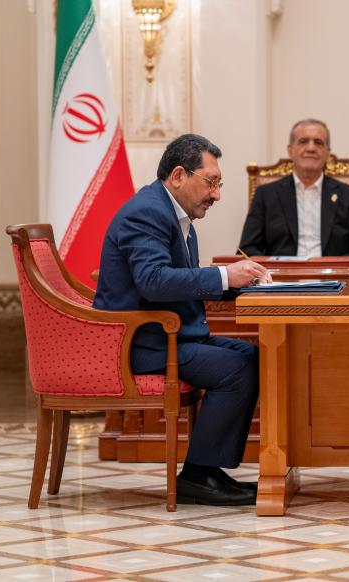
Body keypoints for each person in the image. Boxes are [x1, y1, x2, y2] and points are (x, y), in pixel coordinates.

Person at [94, 134, 272, 506]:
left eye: (219, 184)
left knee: (256, 356)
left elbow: (178, 283)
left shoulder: (174, 214)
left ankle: (206, 470)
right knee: (237, 368)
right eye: (211, 182)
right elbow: (154, 281)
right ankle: (197, 475)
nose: (216, 195)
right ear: (178, 175)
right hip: (141, 343)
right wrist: (225, 275)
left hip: (170, 337)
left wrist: (241, 285)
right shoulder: (147, 212)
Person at [239, 119, 349, 258]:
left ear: (328, 153)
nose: (311, 148)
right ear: (290, 151)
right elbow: (247, 250)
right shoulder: (266, 195)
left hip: (334, 271)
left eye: (318, 142)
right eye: (303, 141)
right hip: (281, 272)